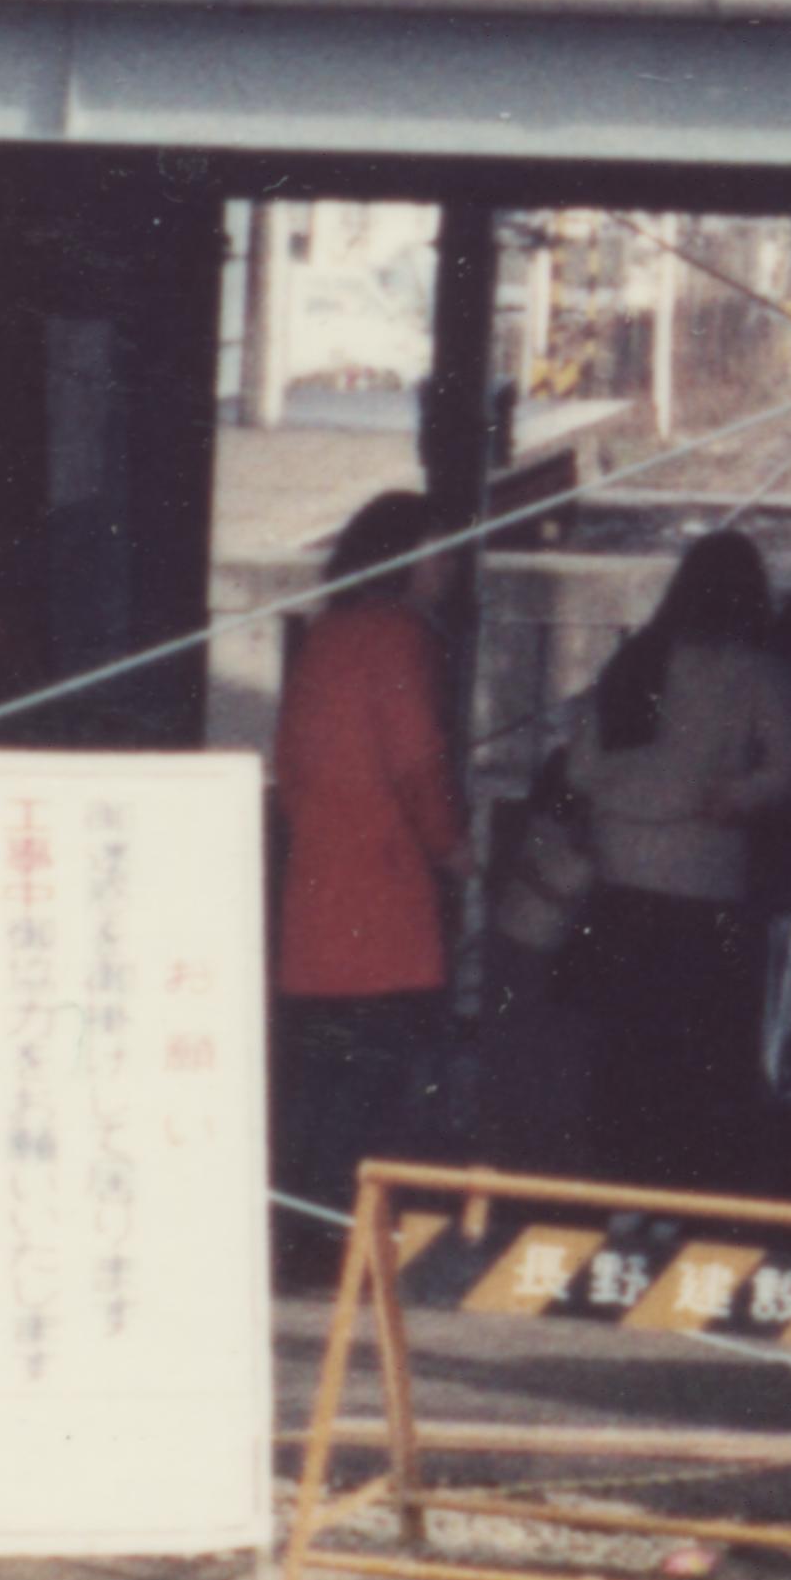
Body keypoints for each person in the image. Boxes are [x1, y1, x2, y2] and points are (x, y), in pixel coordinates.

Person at [562, 527, 791, 1192]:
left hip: (620, 884)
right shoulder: (760, 670)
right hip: (705, 885)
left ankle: (620, 1191)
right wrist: (731, 798)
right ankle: (682, 1195)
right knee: (697, 1056)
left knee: (622, 1051)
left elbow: (580, 768)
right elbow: (788, 771)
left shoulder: (635, 659)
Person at [268, 489, 467, 1265]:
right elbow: (417, 758)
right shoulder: (399, 638)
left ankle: (299, 1236)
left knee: (318, 1082)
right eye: (440, 550)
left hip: (318, 897)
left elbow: (293, 769)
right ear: (409, 558)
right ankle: (344, 1249)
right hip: (382, 899)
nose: (449, 566)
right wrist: (451, 846)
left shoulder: (325, 636)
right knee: (373, 1086)